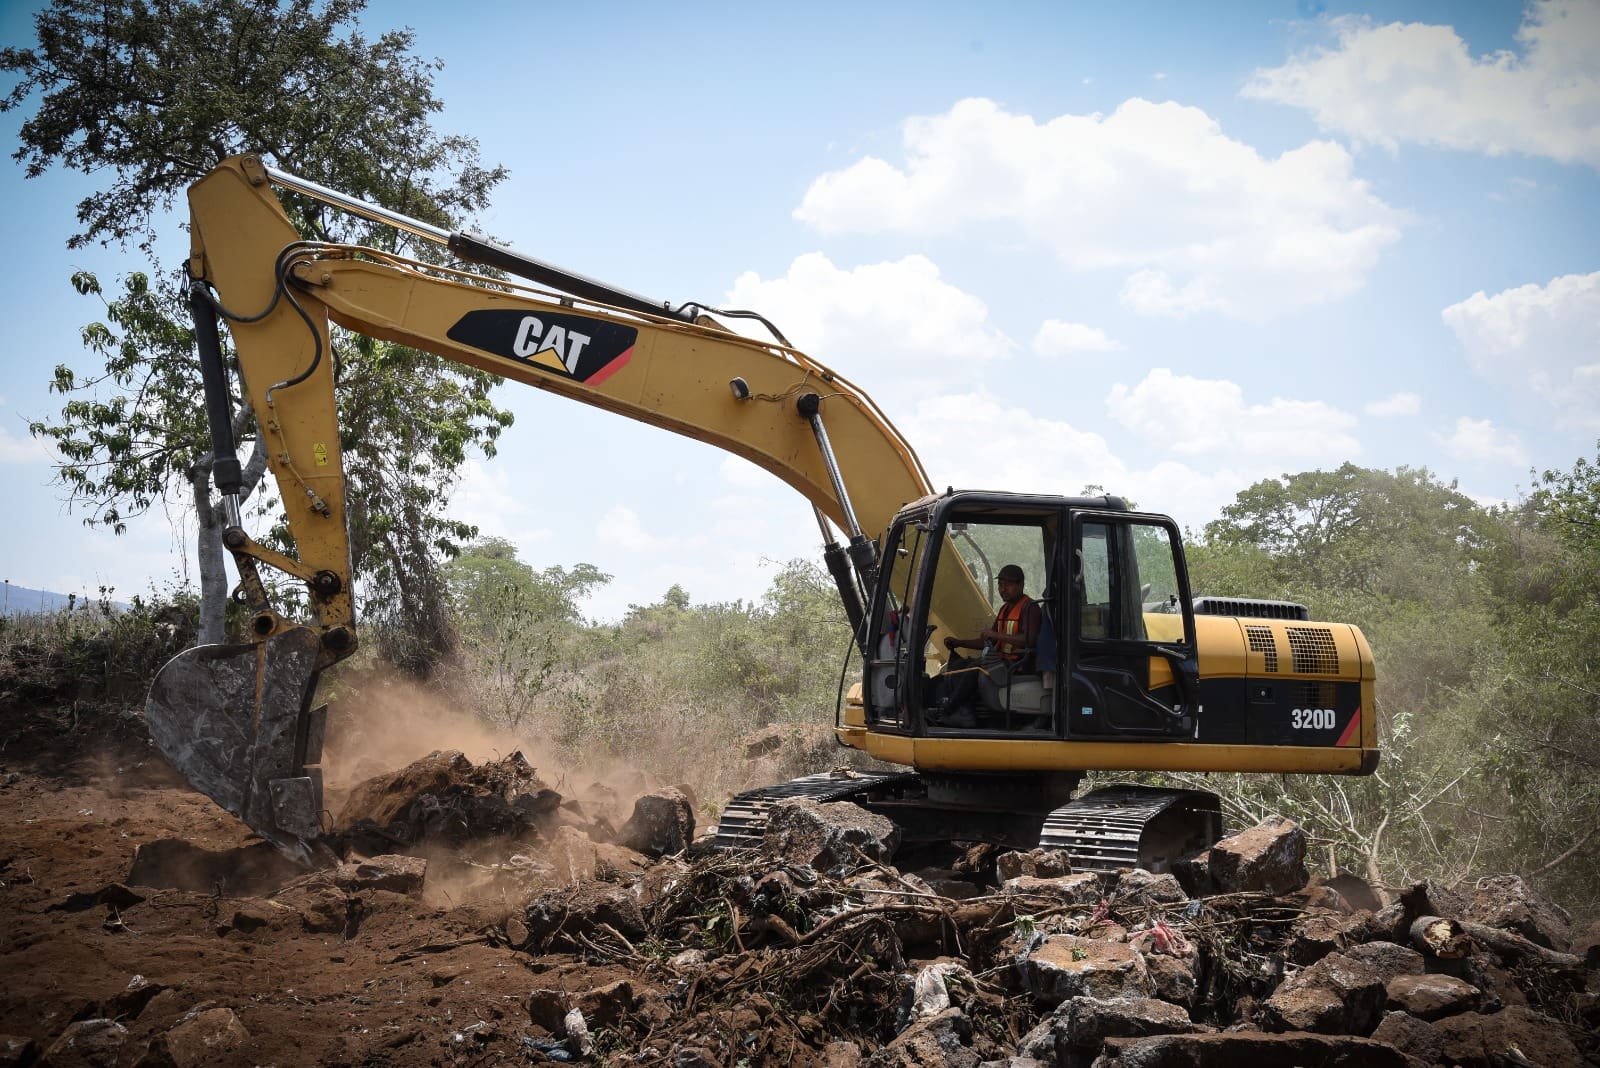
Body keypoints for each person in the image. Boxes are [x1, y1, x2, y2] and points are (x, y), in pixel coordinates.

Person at [933, 563, 1042, 727]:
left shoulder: (1030, 608)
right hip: (1001, 662)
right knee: (961, 665)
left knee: (976, 668)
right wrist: (959, 642)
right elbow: (988, 641)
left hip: (1018, 665)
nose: (1002, 589)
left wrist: (995, 635)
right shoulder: (1005, 609)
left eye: (1008, 585)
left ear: (1020, 584)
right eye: (1000, 585)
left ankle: (949, 709)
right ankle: (965, 710)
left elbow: (1029, 640)